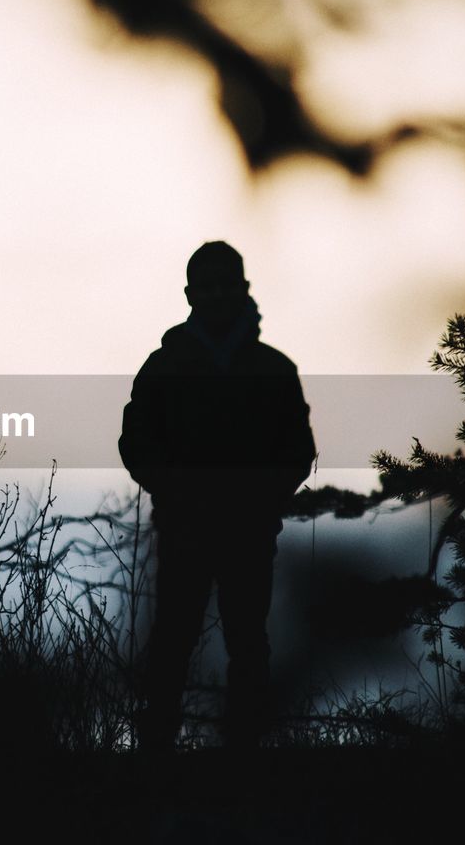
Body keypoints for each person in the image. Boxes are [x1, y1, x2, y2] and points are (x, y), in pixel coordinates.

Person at [119, 241, 316, 752]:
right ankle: (156, 755)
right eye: (206, 286)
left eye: (225, 284)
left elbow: (298, 451)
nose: (216, 294)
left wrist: (259, 502)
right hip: (185, 531)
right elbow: (135, 443)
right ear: (190, 294)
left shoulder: (275, 371)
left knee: (248, 644)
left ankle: (243, 757)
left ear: (243, 289)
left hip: (249, 534)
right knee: (172, 643)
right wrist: (178, 493)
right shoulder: (163, 368)